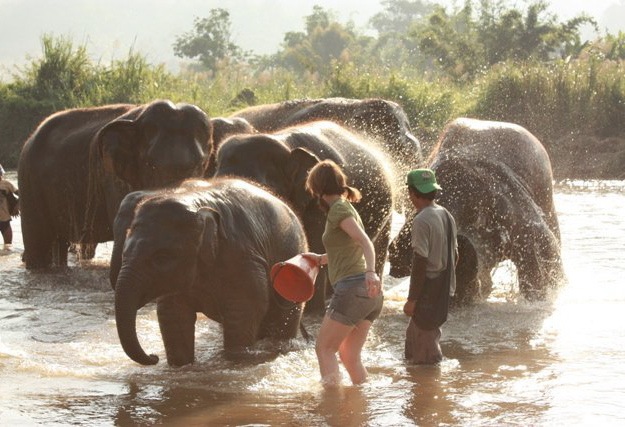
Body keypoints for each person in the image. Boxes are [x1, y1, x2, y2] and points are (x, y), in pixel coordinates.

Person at [303, 159, 384, 388]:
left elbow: (365, 242)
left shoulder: (338, 209)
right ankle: (364, 403)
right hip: (368, 295)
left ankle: (331, 410)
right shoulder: (345, 208)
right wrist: (320, 259)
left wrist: (371, 272)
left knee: (324, 349)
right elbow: (349, 248)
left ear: (316, 188)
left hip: (355, 288)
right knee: (349, 356)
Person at [403, 168, 458, 364]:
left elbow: (420, 261)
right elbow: (455, 255)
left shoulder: (421, 220)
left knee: (426, 353)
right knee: (417, 338)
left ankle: (429, 389)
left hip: (428, 288)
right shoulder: (445, 214)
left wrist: (412, 300)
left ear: (412, 194)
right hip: (443, 286)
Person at [0, 164, 18, 249]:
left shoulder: (6, 184)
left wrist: (17, 206)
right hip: (4, 219)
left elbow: (22, 194)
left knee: (8, 247)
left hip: (4, 219)